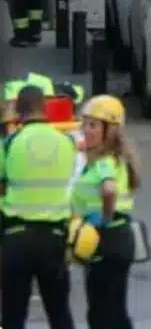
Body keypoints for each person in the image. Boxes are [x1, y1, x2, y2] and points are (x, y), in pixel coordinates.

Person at [0, 85, 78, 329]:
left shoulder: (10, 143)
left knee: (13, 317)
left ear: (18, 111)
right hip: (54, 239)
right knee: (60, 314)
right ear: (44, 107)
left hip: (16, 238)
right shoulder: (66, 142)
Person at [71, 95, 141, 328]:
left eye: (93, 125)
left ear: (109, 130)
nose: (86, 130)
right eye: (84, 124)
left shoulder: (104, 162)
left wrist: (104, 218)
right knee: (115, 311)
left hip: (105, 238)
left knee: (101, 314)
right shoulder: (113, 158)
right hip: (117, 237)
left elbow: (109, 189)